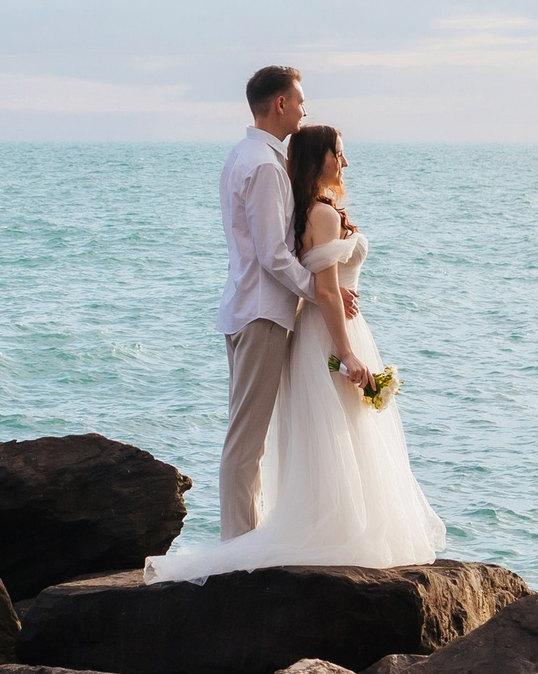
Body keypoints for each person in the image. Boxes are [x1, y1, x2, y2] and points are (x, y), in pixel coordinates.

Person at [145, 95, 445, 582]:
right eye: (338, 153)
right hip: (294, 320)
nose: (345, 162)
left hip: (279, 315)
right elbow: (281, 261)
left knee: (311, 434)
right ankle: (241, 551)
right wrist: (343, 343)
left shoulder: (263, 170)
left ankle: (277, 533)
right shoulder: (277, 176)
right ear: (281, 103)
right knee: (270, 438)